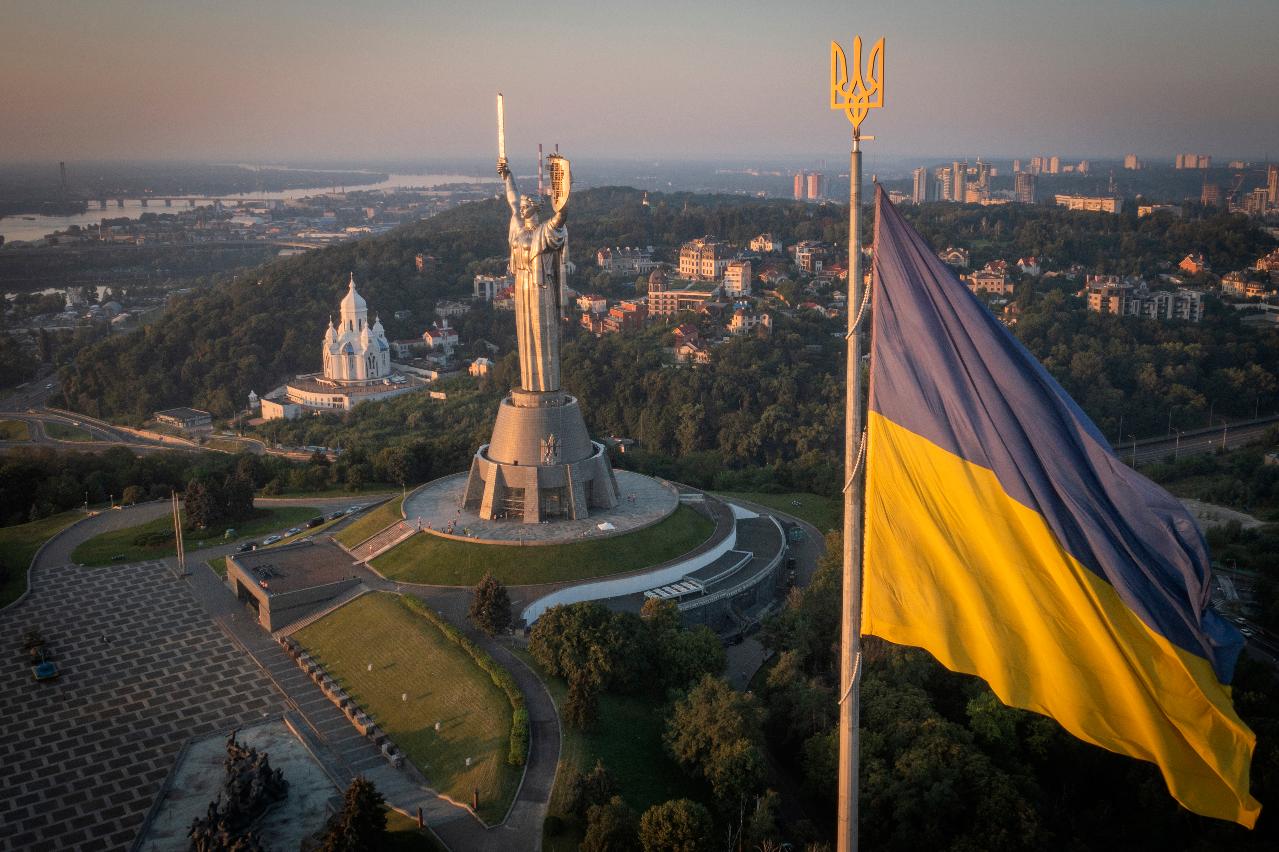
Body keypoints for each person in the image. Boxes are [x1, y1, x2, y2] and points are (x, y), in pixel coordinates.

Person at [497, 156, 569, 393]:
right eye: (523, 203)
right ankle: (529, 385)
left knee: (542, 334)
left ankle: (547, 387)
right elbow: (511, 199)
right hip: (522, 286)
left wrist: (561, 191)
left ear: (536, 207)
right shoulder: (518, 227)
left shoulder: (544, 231)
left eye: (527, 203)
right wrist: (508, 175)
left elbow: (560, 218)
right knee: (525, 333)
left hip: (541, 288)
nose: (523, 205)